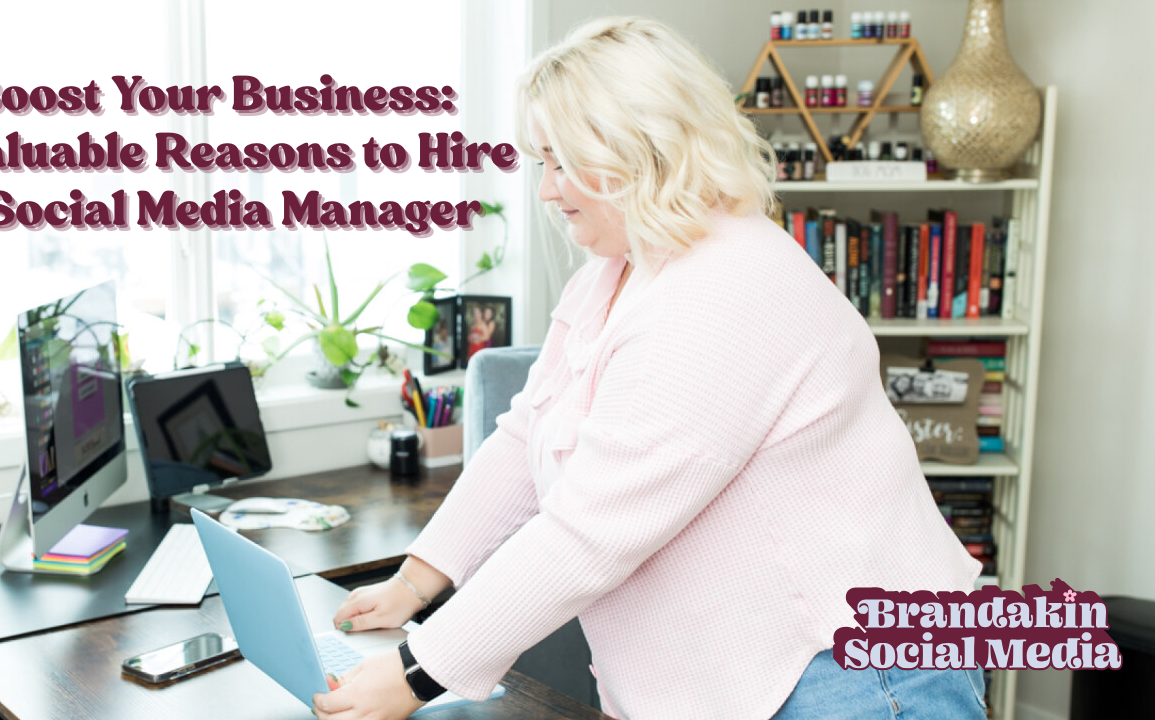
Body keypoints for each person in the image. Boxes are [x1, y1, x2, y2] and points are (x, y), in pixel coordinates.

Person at [312, 16, 983, 720]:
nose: (547, 190)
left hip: (850, 677)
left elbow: (589, 531)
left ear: (644, 151)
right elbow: (524, 436)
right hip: (739, 678)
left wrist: (417, 673)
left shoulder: (728, 284)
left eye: (563, 162)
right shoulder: (615, 274)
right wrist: (418, 581)